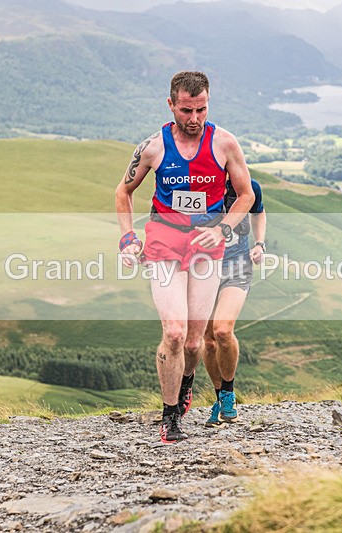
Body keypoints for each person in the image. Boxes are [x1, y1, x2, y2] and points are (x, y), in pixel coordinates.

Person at [114, 71, 254, 443]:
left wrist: (223, 229)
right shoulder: (153, 147)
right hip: (163, 240)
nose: (194, 119)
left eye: (202, 110)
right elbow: (123, 192)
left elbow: (246, 195)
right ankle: (170, 414)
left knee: (194, 343)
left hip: (208, 245)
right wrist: (128, 237)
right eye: (186, 110)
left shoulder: (224, 143)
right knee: (174, 333)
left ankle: (187, 380)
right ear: (171, 104)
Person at [202, 178, 265, 426]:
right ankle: (219, 398)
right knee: (207, 341)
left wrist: (259, 244)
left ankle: (228, 392)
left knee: (222, 330)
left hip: (237, 268)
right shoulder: (198, 183)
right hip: (201, 269)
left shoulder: (248, 186)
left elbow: (259, 212)